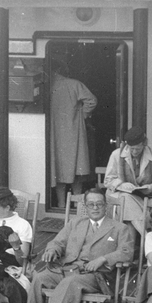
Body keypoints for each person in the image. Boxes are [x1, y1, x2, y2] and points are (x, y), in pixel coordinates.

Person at [16, 189, 135, 303]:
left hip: (97, 276)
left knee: (71, 282)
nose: (95, 208)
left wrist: (103, 259)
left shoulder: (119, 228)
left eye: (99, 204)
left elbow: (127, 252)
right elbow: (57, 242)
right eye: (91, 204)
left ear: (105, 206)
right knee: (40, 278)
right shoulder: (75, 223)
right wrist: (52, 250)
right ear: (85, 206)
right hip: (68, 270)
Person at [50, 66, 98, 207]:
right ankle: (77, 204)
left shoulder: (48, 86)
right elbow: (92, 100)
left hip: (55, 133)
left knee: (58, 169)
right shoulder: (74, 84)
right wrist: (82, 116)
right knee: (77, 168)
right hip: (73, 131)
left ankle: (61, 204)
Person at [103, 126, 152, 234]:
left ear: (144, 145)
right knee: (126, 197)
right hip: (117, 194)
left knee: (129, 218)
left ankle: (135, 242)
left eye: (138, 149)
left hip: (141, 196)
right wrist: (122, 185)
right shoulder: (116, 154)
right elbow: (108, 181)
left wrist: (150, 187)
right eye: (131, 149)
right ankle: (146, 235)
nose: (134, 151)